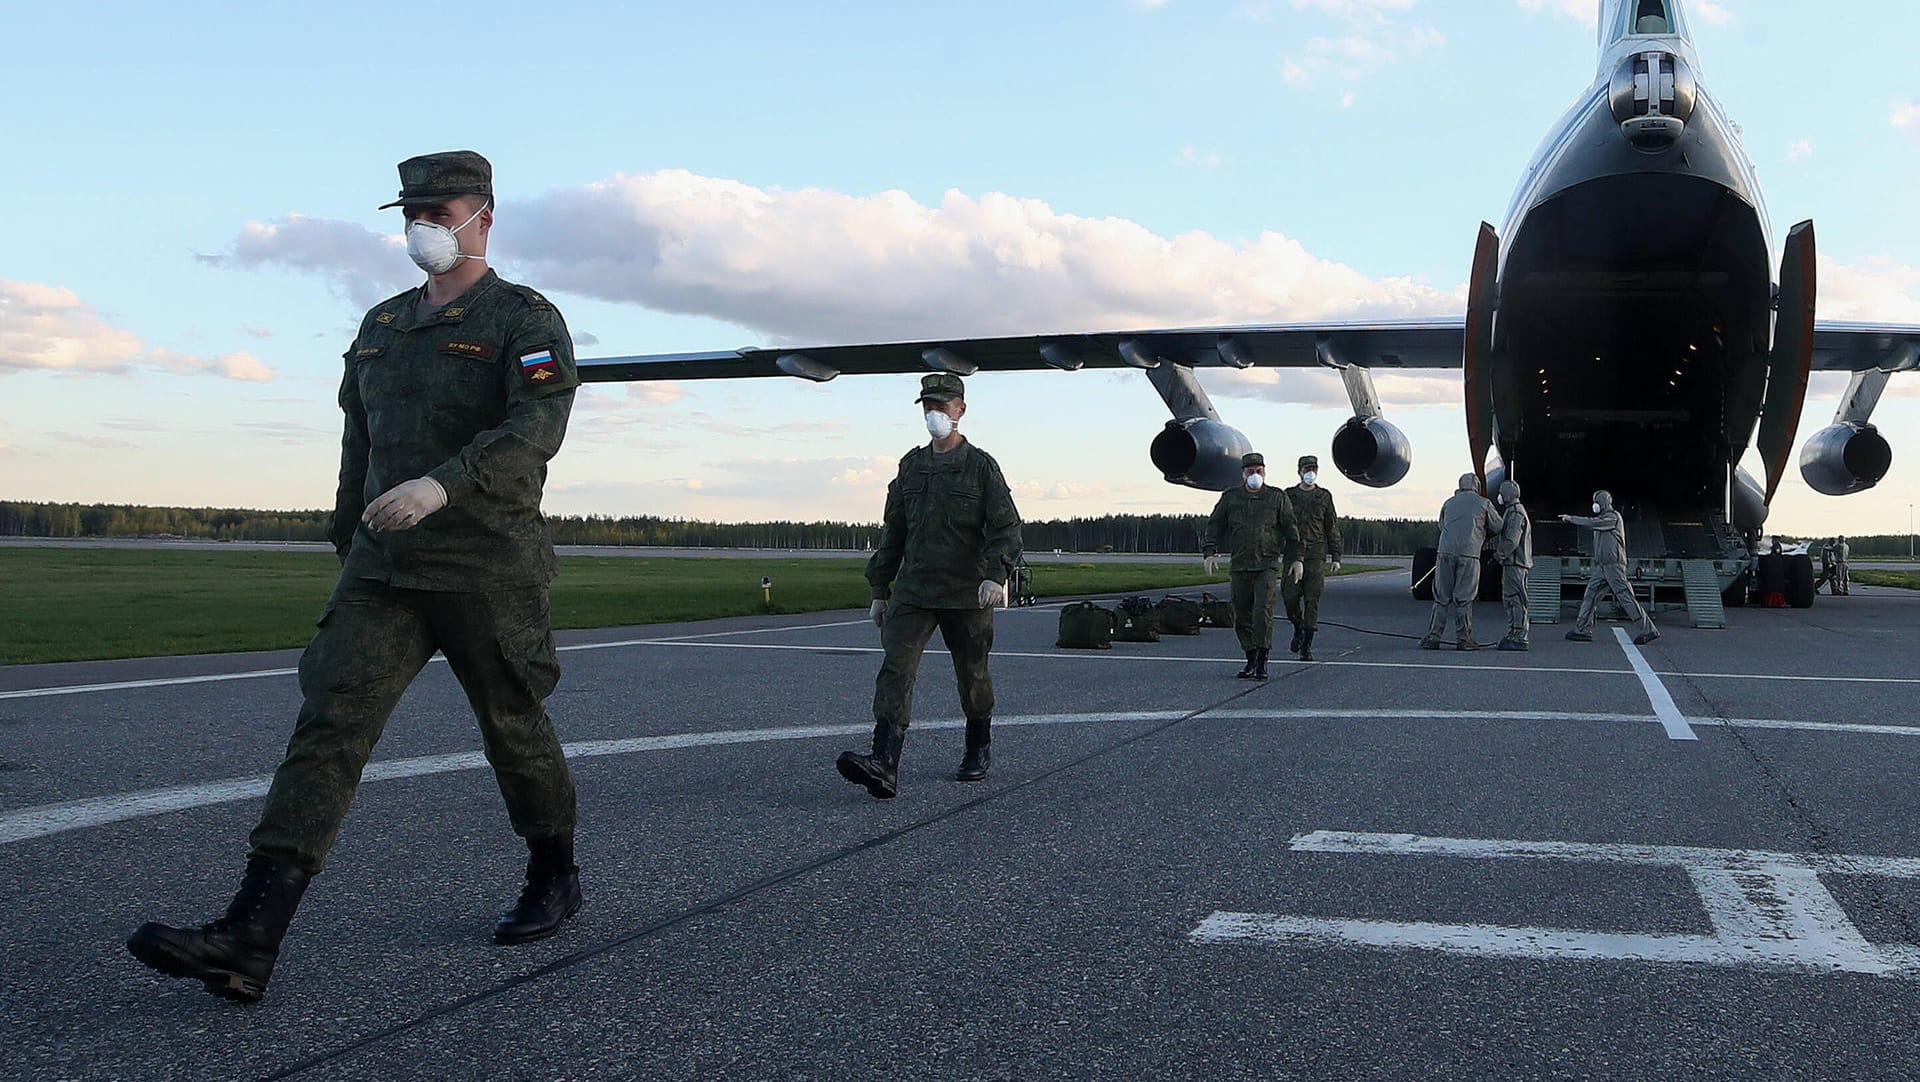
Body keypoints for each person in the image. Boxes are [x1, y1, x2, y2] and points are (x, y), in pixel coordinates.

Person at [127, 152, 585, 1003]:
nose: (423, 226)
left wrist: (443, 483)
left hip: (484, 564)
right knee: (329, 723)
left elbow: (537, 424)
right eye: (411, 210)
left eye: (439, 210)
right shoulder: (380, 323)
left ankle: (554, 871)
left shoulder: (522, 318)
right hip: (386, 568)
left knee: (511, 725)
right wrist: (350, 535)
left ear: (484, 215)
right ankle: (250, 936)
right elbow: (358, 443)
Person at [836, 373, 1023, 799]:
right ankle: (884, 763)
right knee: (896, 670)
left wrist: (997, 574)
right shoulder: (912, 466)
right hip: (914, 590)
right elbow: (894, 531)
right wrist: (880, 589)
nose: (934, 413)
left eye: (943, 406)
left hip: (966, 593)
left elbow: (1006, 526)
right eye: (928, 406)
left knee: (972, 674)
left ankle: (978, 747)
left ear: (960, 410)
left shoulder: (981, 467)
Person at [1203, 452, 1303, 680]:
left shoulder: (1277, 497)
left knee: (1263, 613)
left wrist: (1297, 558)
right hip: (1240, 564)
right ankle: (1250, 656)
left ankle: (1262, 660)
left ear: (1264, 472)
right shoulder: (1231, 497)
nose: (1255, 475)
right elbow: (1215, 525)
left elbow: (1291, 529)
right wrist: (1209, 552)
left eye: (1259, 471)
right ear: (1242, 473)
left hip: (1266, 564)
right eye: (1250, 471)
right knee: (1241, 614)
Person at [1561, 489, 1659, 645]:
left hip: (1613, 566)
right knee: (1591, 595)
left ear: (1604, 503)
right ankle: (1583, 629)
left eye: (1597, 502)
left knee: (1625, 597)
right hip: (1602, 567)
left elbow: (1592, 523)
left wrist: (1571, 518)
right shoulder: (1602, 520)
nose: (1595, 505)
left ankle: (1648, 630)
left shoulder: (1612, 517)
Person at [1422, 473, 1503, 651]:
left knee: (1441, 596)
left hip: (1445, 552)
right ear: (1477, 486)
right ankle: (1463, 639)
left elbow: (1442, 526)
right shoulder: (1484, 503)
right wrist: (1482, 535)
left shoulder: (1449, 503)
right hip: (1469, 554)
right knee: (1464, 598)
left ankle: (1433, 637)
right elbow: (1498, 526)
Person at [1281, 454, 1343, 662]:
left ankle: (1307, 644)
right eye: (1307, 469)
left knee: (1312, 600)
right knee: (1290, 598)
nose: (1310, 473)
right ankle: (1297, 626)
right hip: (1292, 556)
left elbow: (1331, 526)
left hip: (1316, 556)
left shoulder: (1324, 496)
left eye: (1314, 469)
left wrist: (1336, 555)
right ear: (1299, 471)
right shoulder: (1288, 495)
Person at [1493, 479, 1532, 651]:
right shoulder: (1512, 511)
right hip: (1512, 563)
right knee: (1510, 599)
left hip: (1516, 564)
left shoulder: (1516, 513)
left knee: (1516, 600)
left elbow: (1512, 540)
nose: (1500, 495)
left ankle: (1519, 636)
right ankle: (1513, 633)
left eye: (1502, 492)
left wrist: (1498, 555)